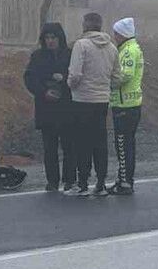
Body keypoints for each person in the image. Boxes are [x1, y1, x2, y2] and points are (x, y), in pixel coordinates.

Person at [67, 12, 120, 197]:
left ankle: (82, 184)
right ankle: (101, 183)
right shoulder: (112, 48)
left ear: (86, 25)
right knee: (100, 142)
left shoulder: (81, 45)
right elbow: (117, 77)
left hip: (82, 100)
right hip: (102, 101)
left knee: (82, 142)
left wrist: (70, 87)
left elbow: (75, 74)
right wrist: (104, 87)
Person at [23, 22, 74, 192]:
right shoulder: (38, 57)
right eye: (47, 38)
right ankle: (52, 181)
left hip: (67, 107)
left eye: (53, 37)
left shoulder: (69, 55)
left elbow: (78, 76)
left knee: (69, 146)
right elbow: (30, 79)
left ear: (60, 38)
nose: (50, 41)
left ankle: (69, 179)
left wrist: (65, 78)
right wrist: (43, 92)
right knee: (49, 148)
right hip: (47, 108)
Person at [109, 17, 144, 195]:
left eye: (116, 33)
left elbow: (125, 75)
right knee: (126, 145)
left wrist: (109, 82)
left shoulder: (128, 51)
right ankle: (123, 179)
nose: (114, 36)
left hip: (125, 105)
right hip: (130, 104)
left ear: (122, 34)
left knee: (123, 145)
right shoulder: (131, 48)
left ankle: (125, 182)